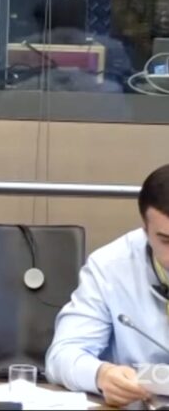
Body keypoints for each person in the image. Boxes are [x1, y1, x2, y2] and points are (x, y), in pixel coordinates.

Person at [46, 163, 169, 406]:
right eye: (166, 241)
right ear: (145, 230)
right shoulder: (110, 266)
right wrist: (101, 375)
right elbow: (62, 355)